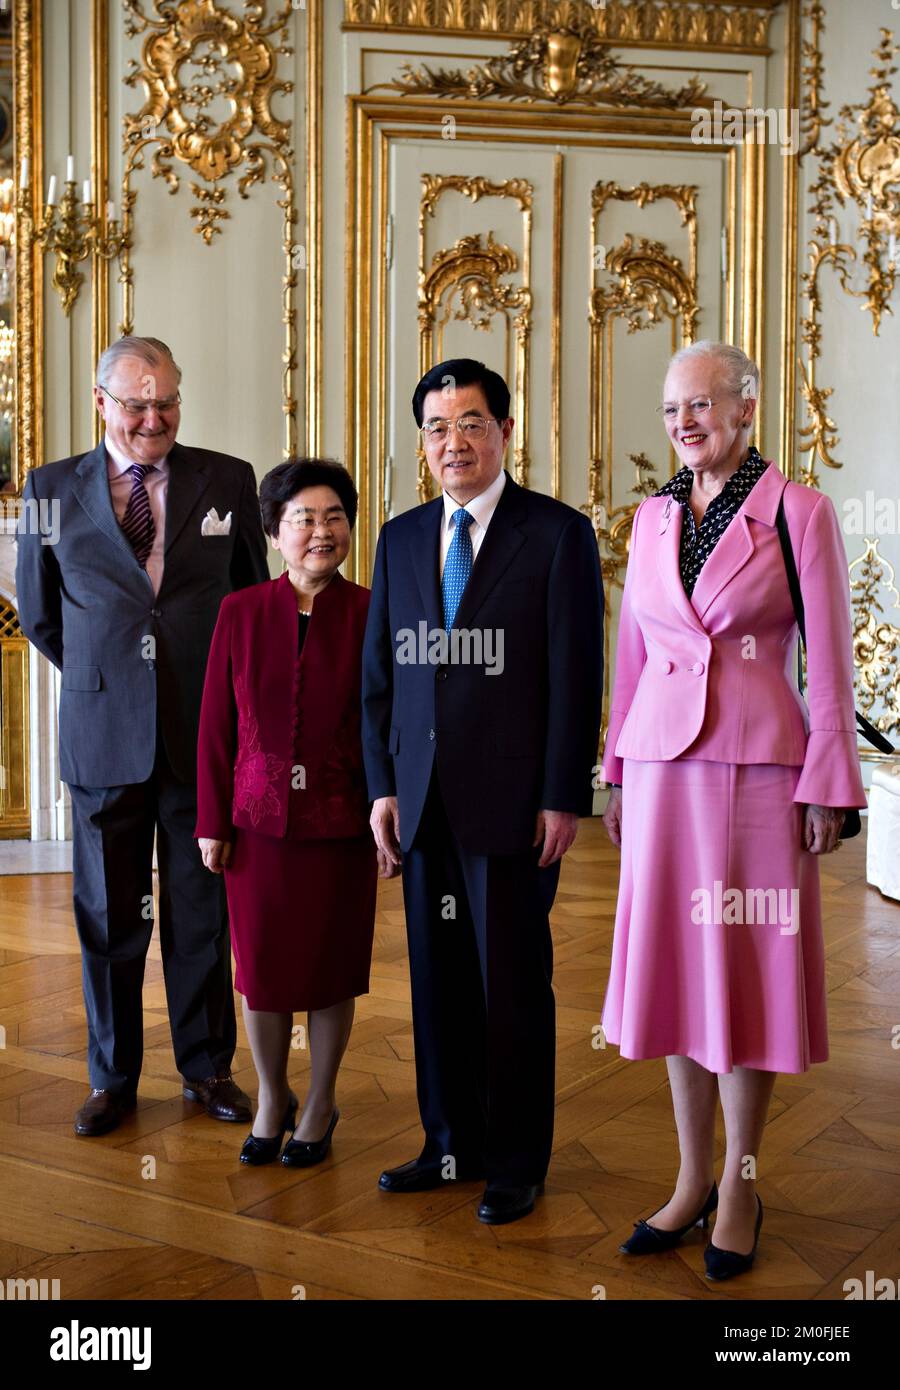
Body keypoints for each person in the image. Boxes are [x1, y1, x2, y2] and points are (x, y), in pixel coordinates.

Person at [600, 340, 866, 1279]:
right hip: (663, 770)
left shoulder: (801, 514)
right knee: (678, 974)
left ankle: (743, 1184)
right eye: (673, 410)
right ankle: (689, 1180)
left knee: (747, 979)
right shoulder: (652, 517)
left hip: (761, 773)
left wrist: (830, 785)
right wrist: (617, 772)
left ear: (747, 409)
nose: (684, 425)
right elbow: (632, 657)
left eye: (701, 406)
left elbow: (829, 662)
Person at [363, 358, 604, 1224]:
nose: (453, 441)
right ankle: (448, 1142)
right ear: (422, 443)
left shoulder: (556, 534)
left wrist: (560, 795)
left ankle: (514, 1161)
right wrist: (382, 788)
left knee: (511, 984)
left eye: (471, 422)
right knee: (436, 984)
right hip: (421, 800)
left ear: (504, 431)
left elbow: (576, 679)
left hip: (511, 804)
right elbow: (380, 681)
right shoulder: (397, 538)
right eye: (437, 426)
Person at [15, 335, 268, 1136]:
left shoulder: (226, 478)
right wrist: (108, 677)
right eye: (136, 405)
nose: (153, 419)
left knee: (200, 910)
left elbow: (251, 598)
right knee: (109, 912)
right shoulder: (49, 489)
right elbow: (41, 614)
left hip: (202, 734)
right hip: (102, 734)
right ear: (102, 403)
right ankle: (113, 1078)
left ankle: (207, 1071)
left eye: (166, 403)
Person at [196, 460, 391, 1167]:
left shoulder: (374, 611)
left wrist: (384, 811)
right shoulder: (239, 611)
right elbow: (216, 724)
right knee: (265, 972)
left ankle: (321, 1100)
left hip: (342, 826)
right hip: (256, 826)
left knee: (334, 967)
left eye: (334, 516)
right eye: (303, 519)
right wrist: (210, 820)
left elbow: (387, 724)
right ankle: (273, 1095)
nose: (321, 531)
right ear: (275, 534)